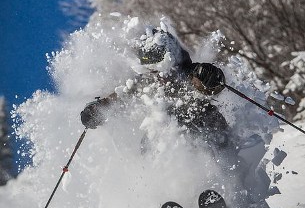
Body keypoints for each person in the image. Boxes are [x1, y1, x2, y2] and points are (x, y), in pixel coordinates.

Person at [80, 25, 236, 161]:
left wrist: (211, 77)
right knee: (153, 133)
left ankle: (216, 180)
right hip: (166, 139)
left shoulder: (191, 73)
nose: (159, 76)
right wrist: (98, 110)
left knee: (196, 117)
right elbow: (120, 98)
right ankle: (158, 186)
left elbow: (215, 86)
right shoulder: (145, 83)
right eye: (152, 70)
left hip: (204, 131)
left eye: (163, 69)